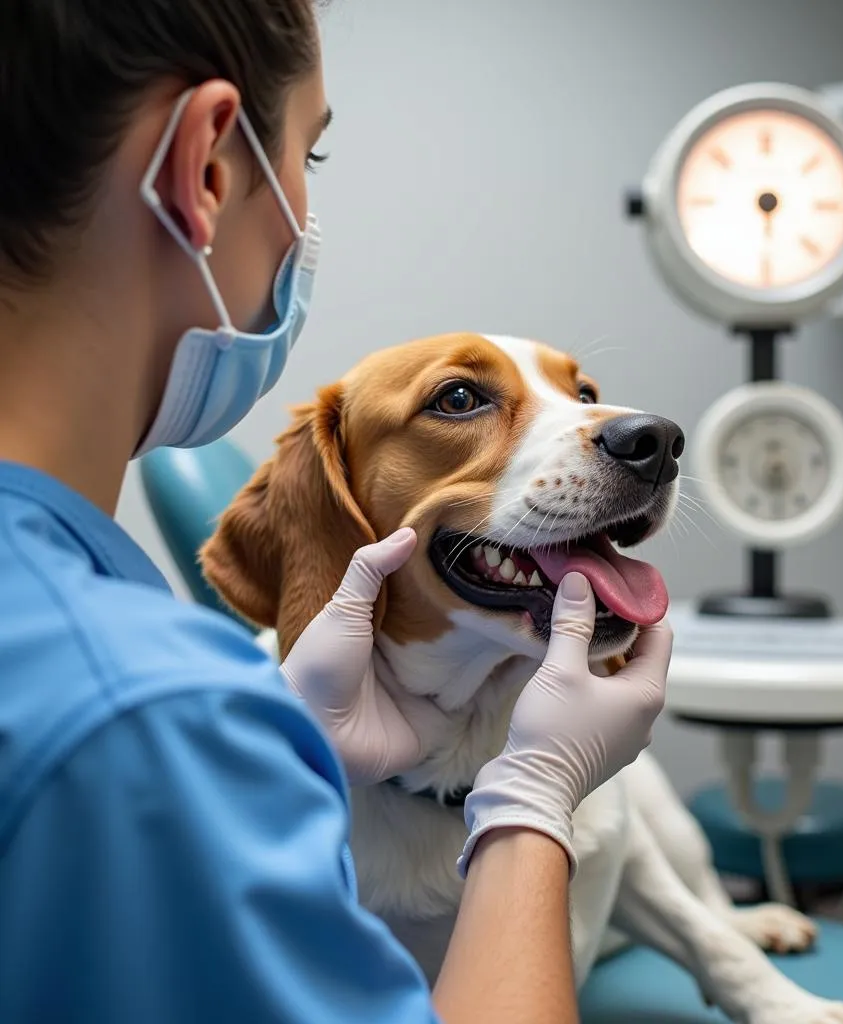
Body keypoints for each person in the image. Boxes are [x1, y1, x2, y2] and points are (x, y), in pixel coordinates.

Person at [0, 2, 673, 1021]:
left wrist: (288, 749)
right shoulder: (139, 717)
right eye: (311, 151)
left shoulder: (88, 629)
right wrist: (533, 800)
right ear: (208, 166)